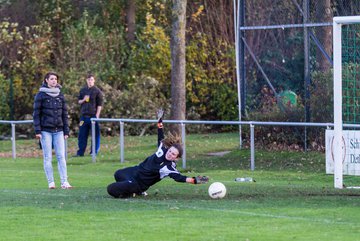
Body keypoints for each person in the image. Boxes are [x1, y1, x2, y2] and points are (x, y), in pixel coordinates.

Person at [107, 109, 209, 198]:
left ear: (176, 158)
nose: (170, 154)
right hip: (134, 172)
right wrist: (160, 120)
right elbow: (160, 135)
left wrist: (195, 180)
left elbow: (179, 178)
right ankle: (131, 190)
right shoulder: (162, 149)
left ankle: (136, 191)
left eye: (173, 154)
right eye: (170, 151)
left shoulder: (169, 167)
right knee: (118, 174)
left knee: (111, 189)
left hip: (138, 183)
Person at [33, 72, 72, 189]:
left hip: (59, 130)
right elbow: (36, 114)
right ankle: (51, 182)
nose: (54, 81)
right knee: (47, 157)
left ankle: (64, 182)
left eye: (55, 79)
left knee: (61, 156)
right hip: (45, 131)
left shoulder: (61, 95)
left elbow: (64, 114)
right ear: (46, 80)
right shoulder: (40, 95)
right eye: (52, 79)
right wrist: (38, 131)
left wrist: (66, 131)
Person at [74, 73, 104, 156]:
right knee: (81, 135)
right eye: (88, 80)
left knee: (95, 135)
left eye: (91, 80)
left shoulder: (97, 91)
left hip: (93, 117)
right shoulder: (83, 90)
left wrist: (97, 115)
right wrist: (83, 100)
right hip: (83, 117)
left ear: (94, 80)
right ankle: (80, 152)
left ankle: (94, 152)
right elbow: (79, 101)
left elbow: (99, 105)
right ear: (86, 80)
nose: (90, 81)